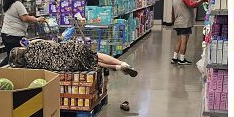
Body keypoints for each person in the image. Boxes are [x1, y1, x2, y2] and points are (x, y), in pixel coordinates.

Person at [9, 39, 138, 76]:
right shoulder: (33, 45)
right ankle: (122, 63)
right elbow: (52, 43)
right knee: (95, 56)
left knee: (92, 64)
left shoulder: (30, 65)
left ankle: (117, 68)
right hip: (72, 49)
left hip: (68, 65)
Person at [0, 0, 45, 67]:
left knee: (12, 54)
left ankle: (6, 70)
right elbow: (25, 18)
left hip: (7, 34)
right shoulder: (17, 4)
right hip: (13, 36)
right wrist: (37, 19)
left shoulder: (8, 4)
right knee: (14, 55)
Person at [171, 0, 208, 65]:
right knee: (184, 41)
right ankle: (182, 59)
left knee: (179, 40)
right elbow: (192, 5)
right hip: (185, 23)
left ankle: (174, 58)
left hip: (178, 22)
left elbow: (172, 12)